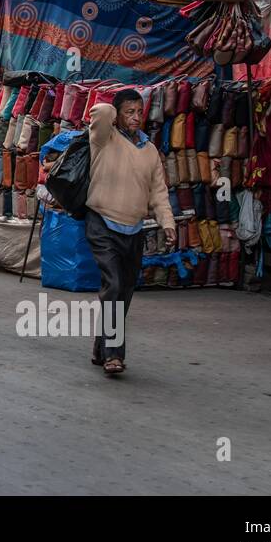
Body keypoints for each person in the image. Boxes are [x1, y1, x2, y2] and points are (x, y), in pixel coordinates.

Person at [85, 90, 176, 377]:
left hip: (133, 229)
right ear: (118, 115)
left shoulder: (149, 151)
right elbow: (98, 112)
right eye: (129, 112)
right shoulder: (103, 139)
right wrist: (113, 113)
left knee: (123, 293)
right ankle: (114, 355)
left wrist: (168, 223)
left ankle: (101, 348)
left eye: (139, 111)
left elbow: (159, 192)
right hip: (101, 221)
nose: (136, 117)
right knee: (112, 286)